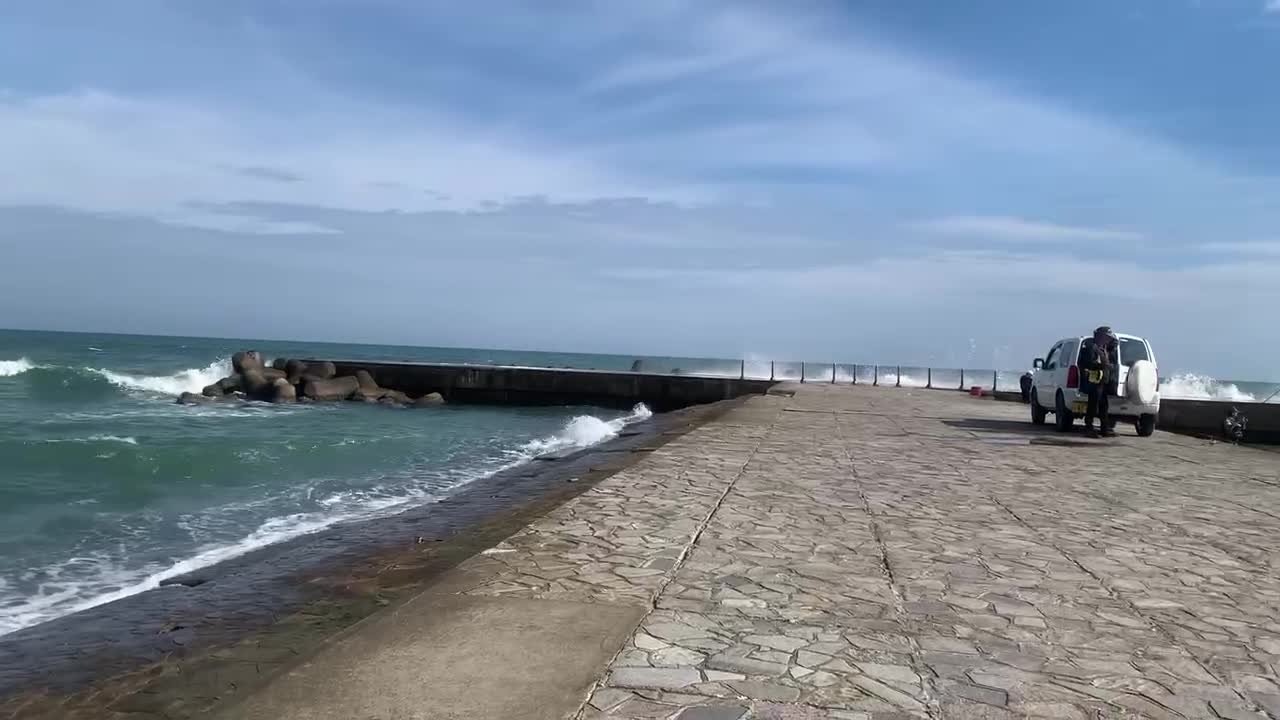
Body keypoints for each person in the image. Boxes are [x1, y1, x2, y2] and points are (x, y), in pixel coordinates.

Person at [1078, 326, 1119, 438]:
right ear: (1101, 336)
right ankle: (1089, 428)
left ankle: (1104, 429)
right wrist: (1104, 365)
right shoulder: (1092, 347)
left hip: (1103, 381)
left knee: (1103, 406)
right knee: (1093, 405)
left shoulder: (1104, 348)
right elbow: (1088, 363)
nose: (1108, 340)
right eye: (1107, 337)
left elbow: (1114, 351)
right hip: (1094, 381)